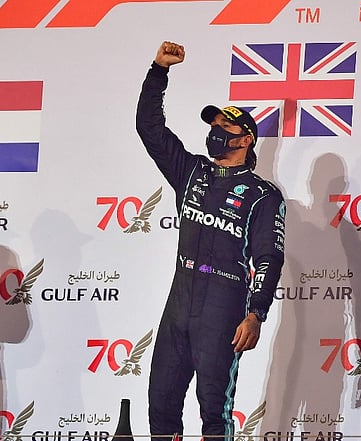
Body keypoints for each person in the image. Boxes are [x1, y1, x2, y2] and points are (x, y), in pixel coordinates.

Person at [136, 41, 286, 441]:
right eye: (213, 127)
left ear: (245, 140)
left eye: (225, 128)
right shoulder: (191, 172)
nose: (216, 133)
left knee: (214, 414)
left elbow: (270, 257)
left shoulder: (262, 194)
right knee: (161, 406)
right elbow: (149, 129)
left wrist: (256, 313)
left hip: (224, 305)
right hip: (180, 299)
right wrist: (158, 72)